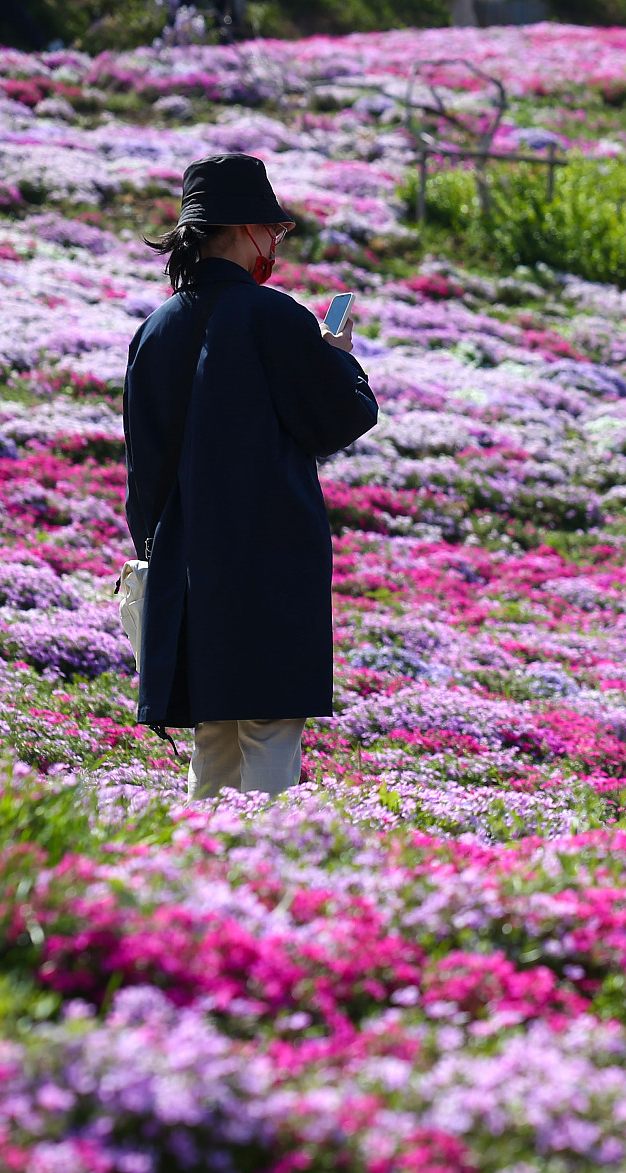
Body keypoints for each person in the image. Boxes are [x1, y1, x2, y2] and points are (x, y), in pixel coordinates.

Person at [124, 153, 379, 798]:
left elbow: (143, 468)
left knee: (209, 739)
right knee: (269, 729)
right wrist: (340, 359)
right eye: (274, 231)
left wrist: (151, 554)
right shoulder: (276, 316)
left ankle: (199, 878)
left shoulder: (155, 328)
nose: (275, 244)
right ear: (243, 230)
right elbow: (342, 419)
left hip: (184, 563)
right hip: (270, 558)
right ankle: (264, 870)